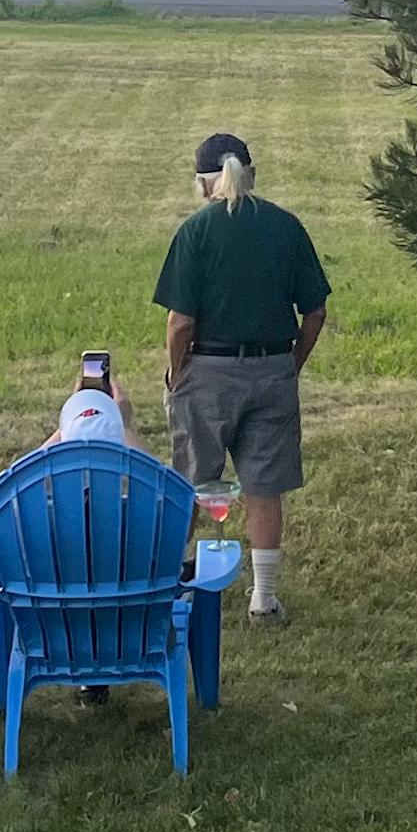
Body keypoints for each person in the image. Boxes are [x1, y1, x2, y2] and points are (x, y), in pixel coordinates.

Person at [154, 130, 330, 622]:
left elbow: (180, 321)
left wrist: (176, 371)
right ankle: (264, 598)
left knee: (190, 480)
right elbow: (314, 311)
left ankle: (166, 582)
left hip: (207, 372)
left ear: (203, 183)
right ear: (251, 175)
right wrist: (290, 363)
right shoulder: (286, 226)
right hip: (273, 368)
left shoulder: (196, 231)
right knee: (264, 484)